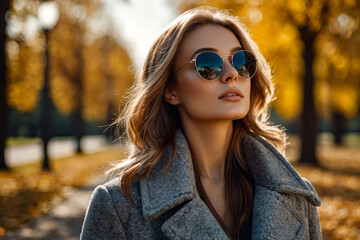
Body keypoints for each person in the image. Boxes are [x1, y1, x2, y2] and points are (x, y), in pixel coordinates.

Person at [80, 6, 322, 240]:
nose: (232, 74)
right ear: (170, 90)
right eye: (209, 64)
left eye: (240, 61)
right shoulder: (118, 206)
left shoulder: (298, 197)